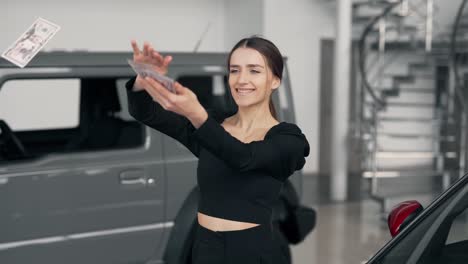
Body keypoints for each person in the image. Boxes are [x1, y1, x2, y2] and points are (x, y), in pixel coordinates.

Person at [126, 36, 310, 264]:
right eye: (234, 70)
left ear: (275, 80)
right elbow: (147, 113)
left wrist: (198, 116)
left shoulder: (288, 139)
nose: (241, 79)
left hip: (253, 254)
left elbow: (243, 158)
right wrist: (144, 80)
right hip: (205, 249)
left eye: (254, 71)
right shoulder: (213, 126)